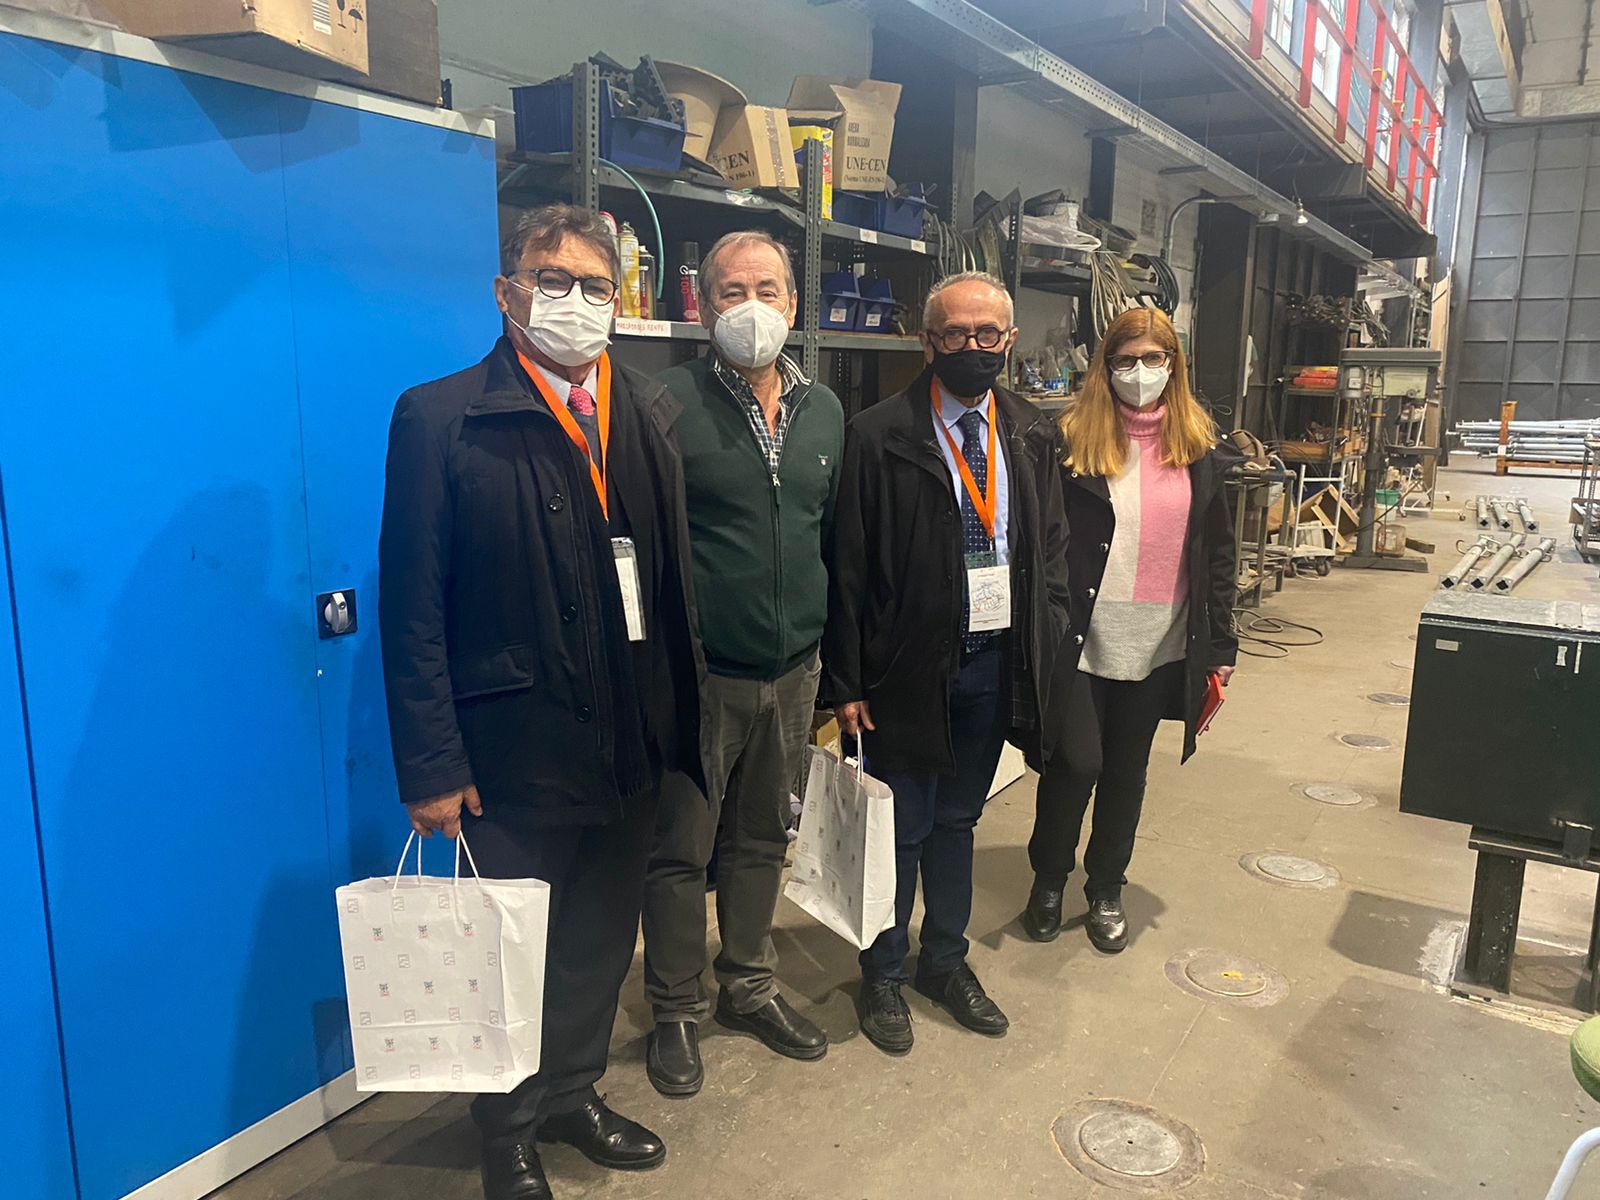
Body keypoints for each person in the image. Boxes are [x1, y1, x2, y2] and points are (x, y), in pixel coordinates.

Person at [378, 204, 706, 1200]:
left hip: (629, 736)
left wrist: (678, 726)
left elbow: (668, 580)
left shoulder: (644, 410)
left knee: (598, 942)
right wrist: (433, 766)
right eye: (550, 279)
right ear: (506, 292)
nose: (573, 300)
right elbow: (412, 606)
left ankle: (572, 1094)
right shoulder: (441, 417)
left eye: (594, 285)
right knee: (510, 954)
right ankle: (508, 1131)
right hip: (511, 748)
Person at [825, 271, 1072, 1056]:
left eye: (987, 333)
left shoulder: (1031, 432)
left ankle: (944, 962)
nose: (973, 346)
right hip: (906, 667)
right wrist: (846, 681)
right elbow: (848, 565)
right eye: (956, 333)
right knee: (899, 829)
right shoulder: (878, 434)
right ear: (927, 341)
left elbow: (1050, 550)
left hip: (994, 664)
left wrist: (1048, 637)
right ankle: (882, 973)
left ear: (1010, 340)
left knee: (959, 821)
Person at [640, 231, 843, 1096]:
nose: (750, 307)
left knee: (763, 836)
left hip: (794, 670)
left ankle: (748, 987)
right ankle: (675, 1008)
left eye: (767, 290)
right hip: (701, 675)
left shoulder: (824, 411)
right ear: (703, 304)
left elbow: (828, 536)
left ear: (794, 303)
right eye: (731, 292)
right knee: (681, 849)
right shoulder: (663, 405)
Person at [1021, 306, 1240, 953]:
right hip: (1083, 637)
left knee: (1125, 771)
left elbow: (1219, 555)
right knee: (1075, 764)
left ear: (1174, 365)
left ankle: (1106, 888)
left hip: (1159, 642)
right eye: (1125, 360)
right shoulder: (1069, 441)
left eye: (1152, 359)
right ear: (1105, 366)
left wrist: (1221, 645)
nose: (1139, 372)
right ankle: (1049, 880)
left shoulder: (1200, 447)